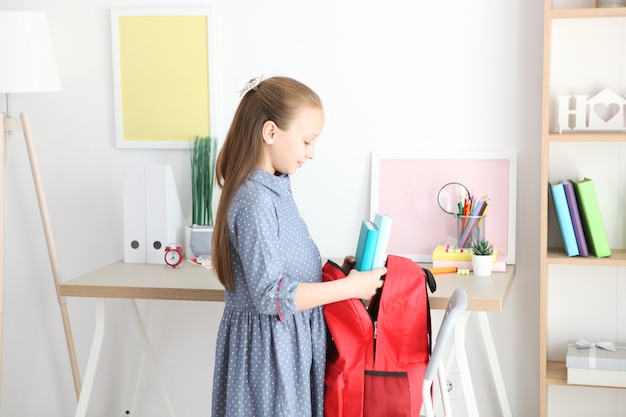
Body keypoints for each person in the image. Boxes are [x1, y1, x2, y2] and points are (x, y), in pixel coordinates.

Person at [210, 75, 386, 417]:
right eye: (307, 141)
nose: (312, 153)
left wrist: (339, 275)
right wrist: (349, 287)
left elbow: (286, 267)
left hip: (288, 347)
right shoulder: (255, 201)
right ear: (271, 132)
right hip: (271, 356)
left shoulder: (276, 189)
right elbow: (270, 295)